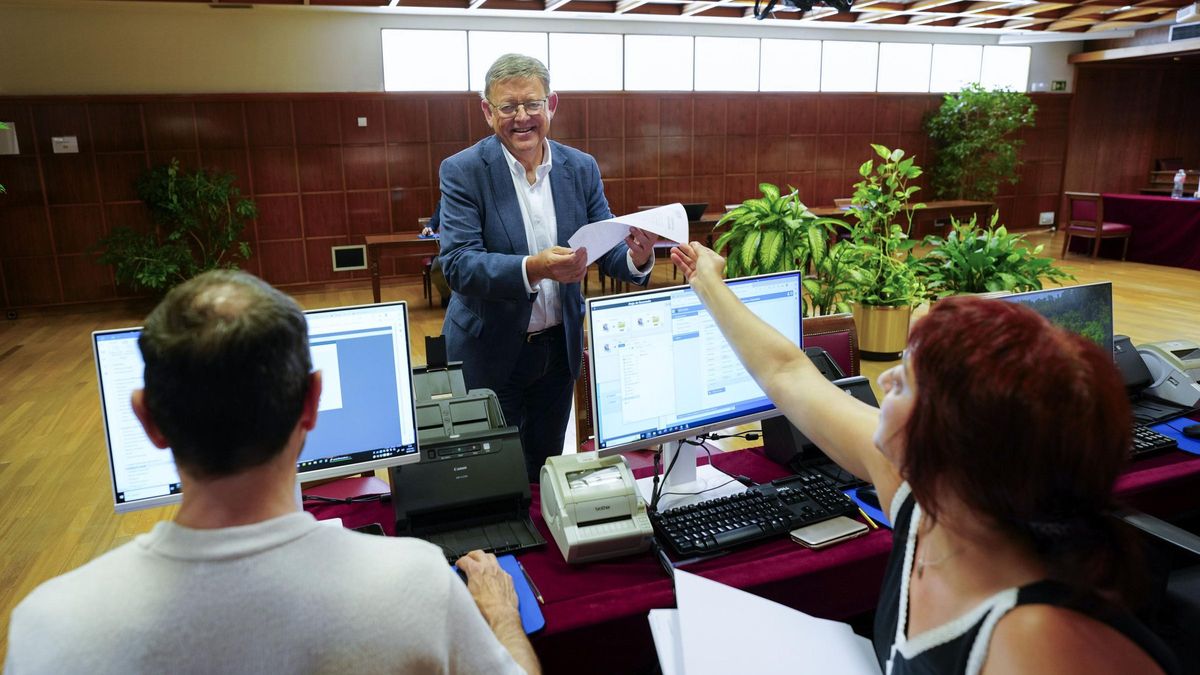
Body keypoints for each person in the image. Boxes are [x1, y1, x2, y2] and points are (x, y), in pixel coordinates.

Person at [669, 241, 1178, 675]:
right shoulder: (930, 496)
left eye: (907, 378)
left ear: (951, 438)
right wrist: (707, 280)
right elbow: (789, 375)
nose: (884, 379)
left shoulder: (1035, 643)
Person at [5, 270, 540, 675]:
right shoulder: (418, 582)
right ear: (312, 402)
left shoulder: (49, 625)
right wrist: (501, 615)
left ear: (147, 419)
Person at [438, 53, 658, 480]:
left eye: (532, 104)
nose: (522, 118)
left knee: (545, 473)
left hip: (559, 354)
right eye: (508, 107)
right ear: (487, 111)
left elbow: (600, 246)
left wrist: (636, 255)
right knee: (493, 481)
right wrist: (533, 268)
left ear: (551, 105)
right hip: (491, 353)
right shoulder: (463, 171)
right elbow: (458, 265)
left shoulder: (581, 168)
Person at [420, 200, 451, 308]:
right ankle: (448, 297)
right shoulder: (443, 201)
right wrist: (428, 228)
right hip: (446, 250)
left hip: (468, 249)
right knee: (437, 268)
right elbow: (433, 222)